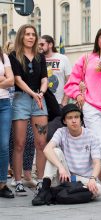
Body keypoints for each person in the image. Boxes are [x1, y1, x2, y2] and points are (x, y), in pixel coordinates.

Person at [64, 27, 101, 195]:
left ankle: (97, 176)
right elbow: (71, 83)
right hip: (91, 106)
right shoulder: (85, 58)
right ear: (97, 39)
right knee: (100, 143)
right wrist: (77, 94)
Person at [32, 104, 101, 205]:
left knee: (98, 189)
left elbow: (97, 162)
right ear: (64, 121)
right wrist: (61, 168)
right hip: (66, 177)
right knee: (55, 151)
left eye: (76, 117)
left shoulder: (91, 135)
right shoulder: (61, 132)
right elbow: (47, 150)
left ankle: (55, 194)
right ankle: (45, 190)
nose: (74, 121)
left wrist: (92, 179)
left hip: (84, 179)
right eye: (70, 118)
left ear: (81, 119)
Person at [8, 24, 48, 196]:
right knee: (19, 143)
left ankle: (40, 181)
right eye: (27, 34)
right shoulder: (14, 56)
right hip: (21, 99)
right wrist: (34, 93)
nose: (31, 37)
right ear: (21, 37)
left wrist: (41, 92)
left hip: (39, 100)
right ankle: (18, 181)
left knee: (41, 143)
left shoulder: (40, 57)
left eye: (33, 34)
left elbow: (44, 78)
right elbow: (17, 79)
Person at [3, 40, 37, 188]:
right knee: (11, 142)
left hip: (18, 105)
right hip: (8, 104)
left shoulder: (16, 60)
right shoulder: (7, 59)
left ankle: (27, 173)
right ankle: (11, 173)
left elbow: (11, 81)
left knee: (29, 140)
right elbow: (8, 80)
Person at [38, 35, 72, 141]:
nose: (40, 47)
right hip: (41, 105)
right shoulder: (37, 59)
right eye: (39, 44)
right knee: (41, 136)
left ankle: (56, 157)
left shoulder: (63, 58)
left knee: (55, 136)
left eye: (42, 44)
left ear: (50, 44)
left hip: (58, 104)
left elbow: (70, 81)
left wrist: (64, 101)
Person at [0, 45, 15, 198]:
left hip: (4, 104)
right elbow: (7, 79)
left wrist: (6, 79)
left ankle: (2, 184)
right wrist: (3, 79)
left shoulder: (3, 56)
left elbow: (11, 82)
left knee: (4, 145)